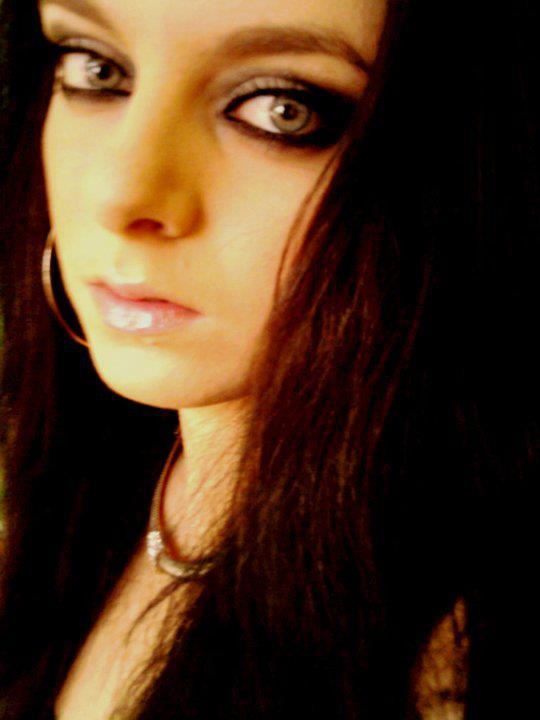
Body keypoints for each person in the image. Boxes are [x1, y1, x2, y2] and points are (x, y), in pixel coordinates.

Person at [0, 0, 537, 718]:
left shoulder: (443, 663)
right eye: (97, 70)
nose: (119, 195)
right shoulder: (85, 470)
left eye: (283, 110)